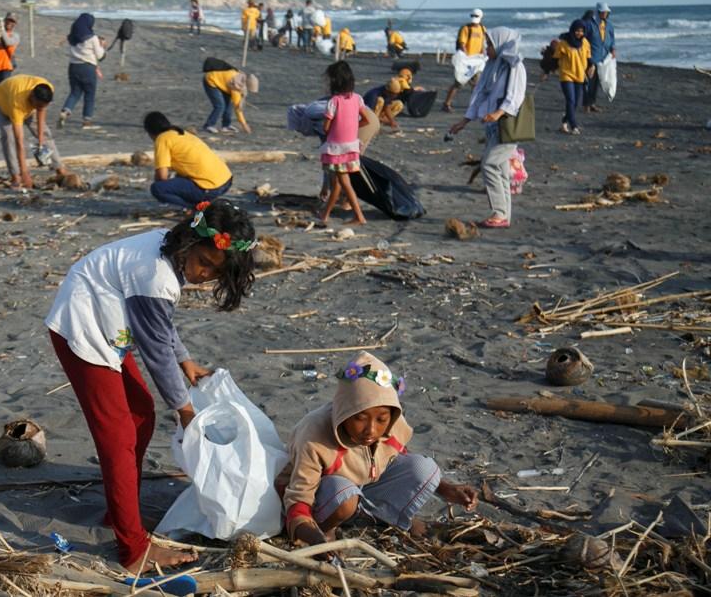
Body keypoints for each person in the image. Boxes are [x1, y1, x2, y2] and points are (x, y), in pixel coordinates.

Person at [44, 200, 257, 573]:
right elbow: (156, 350)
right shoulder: (155, 275)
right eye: (204, 263)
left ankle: (120, 511)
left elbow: (160, 324)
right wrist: (185, 410)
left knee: (141, 415)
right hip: (82, 328)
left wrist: (185, 359)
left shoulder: (169, 256)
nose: (205, 274)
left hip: (110, 326)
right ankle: (133, 548)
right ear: (189, 243)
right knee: (118, 438)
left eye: (215, 271)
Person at [278, 352, 478, 548]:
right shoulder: (314, 434)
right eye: (360, 418)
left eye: (381, 419)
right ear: (344, 410)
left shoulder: (392, 422)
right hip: (329, 497)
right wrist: (311, 536)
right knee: (346, 497)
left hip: (365, 490)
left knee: (425, 468)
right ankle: (326, 528)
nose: (371, 430)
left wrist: (446, 489)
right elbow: (298, 498)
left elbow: (396, 457)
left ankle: (385, 517)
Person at [447, 27, 528, 229]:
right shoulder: (492, 65)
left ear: (501, 44)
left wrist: (500, 112)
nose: (486, 48)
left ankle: (500, 213)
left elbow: (515, 95)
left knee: (489, 164)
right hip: (493, 125)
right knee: (499, 168)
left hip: (509, 124)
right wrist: (464, 121)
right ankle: (503, 215)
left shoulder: (514, 66)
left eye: (490, 44)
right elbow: (480, 94)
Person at [0, 74, 67, 189]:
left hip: (24, 103)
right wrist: (25, 173)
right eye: (38, 105)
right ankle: (15, 175)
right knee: (8, 137)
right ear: (32, 96)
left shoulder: (46, 88)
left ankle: (60, 169)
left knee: (45, 134)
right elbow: (19, 141)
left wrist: (40, 139)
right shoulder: (17, 105)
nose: (40, 108)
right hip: (0, 102)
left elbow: (41, 110)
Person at [318, 61, 370, 225]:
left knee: (343, 184)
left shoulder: (334, 101)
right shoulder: (357, 99)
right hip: (351, 146)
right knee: (339, 183)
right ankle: (324, 214)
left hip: (336, 149)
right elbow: (366, 119)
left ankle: (358, 216)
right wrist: (352, 128)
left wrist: (333, 130)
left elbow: (326, 126)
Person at [145, 111, 232, 208]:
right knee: (178, 179)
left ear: (150, 132)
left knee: (158, 189)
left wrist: (163, 184)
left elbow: (162, 176)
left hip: (210, 187)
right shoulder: (180, 133)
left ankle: (192, 209)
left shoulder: (162, 139)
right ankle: (203, 203)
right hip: (225, 180)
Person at [56, 13, 106, 129]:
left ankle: (65, 111)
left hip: (73, 66)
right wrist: (102, 46)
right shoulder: (92, 38)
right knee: (89, 94)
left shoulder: (72, 37)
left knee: (74, 92)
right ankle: (86, 121)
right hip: (88, 67)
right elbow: (99, 56)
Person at [442, 8, 487, 112]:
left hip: (476, 61)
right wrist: (466, 56)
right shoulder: (466, 28)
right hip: (466, 61)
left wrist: (483, 54)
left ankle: (476, 104)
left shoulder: (482, 29)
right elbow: (462, 43)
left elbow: (482, 43)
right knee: (458, 83)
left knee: (476, 85)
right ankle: (446, 103)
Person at [552, 19, 590, 135]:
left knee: (575, 103)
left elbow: (588, 57)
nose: (579, 33)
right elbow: (555, 58)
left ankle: (564, 121)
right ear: (572, 30)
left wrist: (591, 66)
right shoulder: (564, 43)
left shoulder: (585, 43)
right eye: (577, 31)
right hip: (566, 75)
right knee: (570, 100)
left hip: (579, 75)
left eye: (581, 31)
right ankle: (574, 126)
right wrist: (548, 71)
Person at [202, 63, 254, 135]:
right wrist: (244, 124)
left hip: (223, 83)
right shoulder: (236, 86)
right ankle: (208, 125)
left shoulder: (241, 77)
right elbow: (238, 108)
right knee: (220, 106)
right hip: (211, 81)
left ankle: (226, 126)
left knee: (229, 105)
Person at [583, 2, 616, 113]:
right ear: (598, 12)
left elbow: (612, 39)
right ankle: (586, 104)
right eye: (602, 12)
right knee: (589, 82)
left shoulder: (609, 25)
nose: (604, 14)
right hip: (591, 57)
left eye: (606, 12)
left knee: (598, 82)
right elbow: (584, 40)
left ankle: (592, 103)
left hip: (604, 58)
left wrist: (613, 49)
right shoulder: (589, 24)